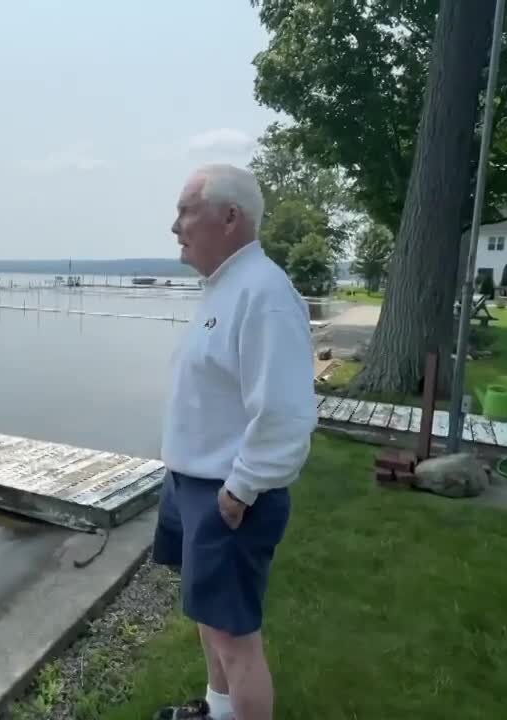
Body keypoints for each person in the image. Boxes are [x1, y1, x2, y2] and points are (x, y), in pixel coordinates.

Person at [153, 164, 316, 720]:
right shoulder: (226, 286)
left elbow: (287, 413)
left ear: (229, 217)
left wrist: (241, 488)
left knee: (235, 639)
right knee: (210, 620)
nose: (175, 226)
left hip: (229, 496)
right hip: (193, 484)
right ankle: (215, 710)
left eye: (185, 211)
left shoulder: (264, 294)